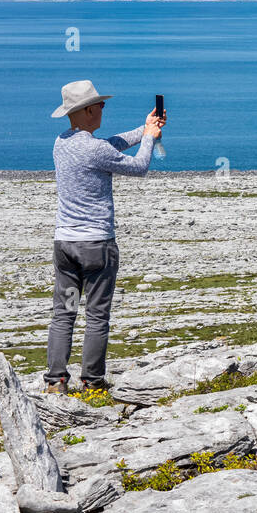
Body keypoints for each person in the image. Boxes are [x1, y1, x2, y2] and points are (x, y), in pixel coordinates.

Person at [44, 80, 165, 394]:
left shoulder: (61, 142)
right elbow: (139, 167)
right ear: (86, 111)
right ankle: (92, 381)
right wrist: (149, 140)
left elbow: (108, 146)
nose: (103, 107)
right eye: (98, 104)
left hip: (65, 244)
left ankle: (56, 379)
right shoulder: (94, 149)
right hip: (97, 245)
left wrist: (144, 128)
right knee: (97, 315)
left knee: (64, 313)